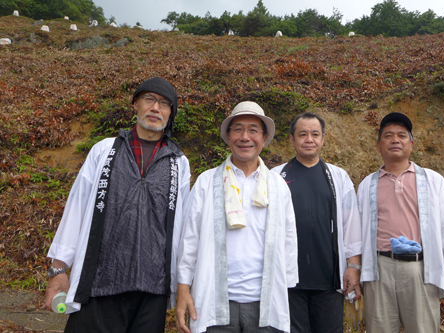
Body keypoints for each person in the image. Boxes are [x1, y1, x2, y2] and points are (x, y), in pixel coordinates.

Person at [44, 77, 191, 333]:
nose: (156, 108)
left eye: (164, 103)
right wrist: (58, 268)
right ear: (136, 104)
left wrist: (182, 283)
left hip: (152, 288)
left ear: (171, 113)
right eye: (149, 99)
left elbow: (182, 228)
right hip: (100, 283)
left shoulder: (179, 163)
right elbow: (77, 207)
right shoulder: (104, 151)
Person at [175, 101, 298, 333]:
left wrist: (285, 291)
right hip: (213, 302)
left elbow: (289, 243)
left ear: (264, 137)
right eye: (238, 129)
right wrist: (183, 291)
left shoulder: (277, 186)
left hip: (265, 305)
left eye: (253, 130)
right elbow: (189, 239)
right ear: (228, 136)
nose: (245, 137)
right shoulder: (207, 182)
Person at [357, 112, 444, 333]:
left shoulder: (432, 181)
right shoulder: (367, 185)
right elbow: (356, 233)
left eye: (402, 135)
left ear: (411, 144)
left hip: (420, 270)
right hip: (378, 270)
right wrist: (355, 270)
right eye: (388, 135)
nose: (395, 140)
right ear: (378, 145)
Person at [271, 113, 362, 333]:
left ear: (322, 139)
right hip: (288, 280)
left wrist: (353, 266)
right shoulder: (276, 176)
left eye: (315, 134)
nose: (309, 139)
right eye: (302, 134)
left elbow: (352, 226)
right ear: (291, 140)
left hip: (329, 278)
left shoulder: (339, 177)